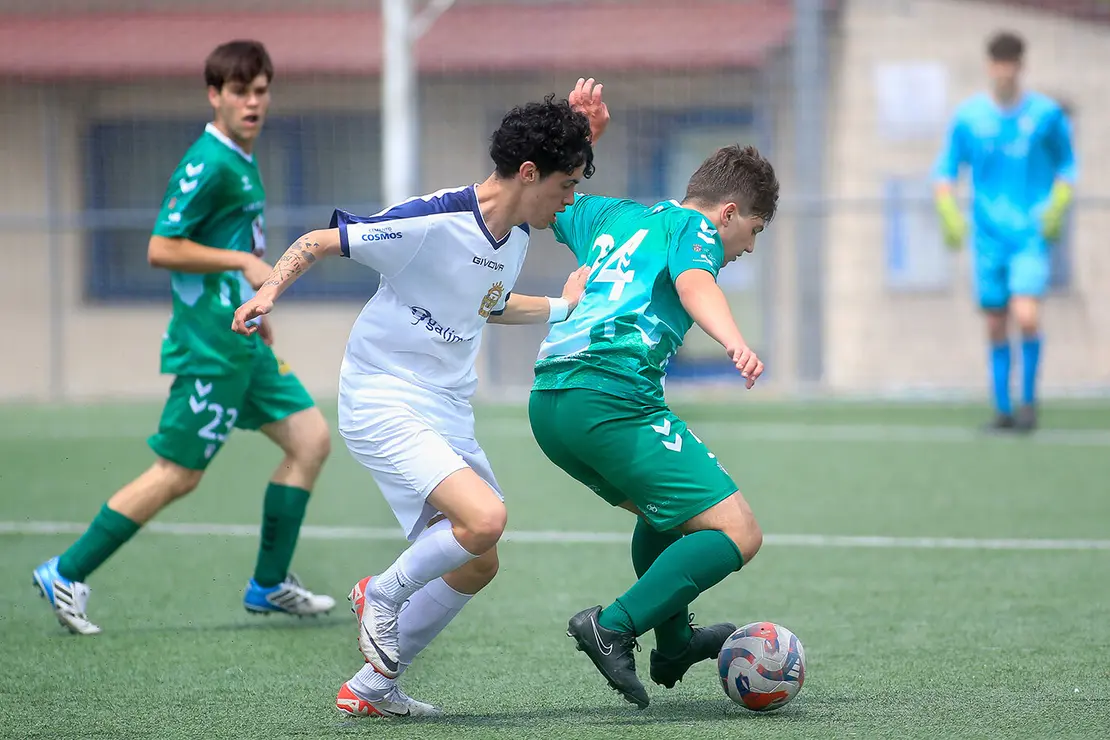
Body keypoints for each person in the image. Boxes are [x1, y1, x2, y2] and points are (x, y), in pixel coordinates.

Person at [232, 79, 610, 718]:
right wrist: (268, 292)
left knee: (477, 561)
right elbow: (319, 242)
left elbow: (484, 307)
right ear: (527, 172)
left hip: (445, 406)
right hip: (382, 395)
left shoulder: (515, 236)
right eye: (567, 185)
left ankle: (371, 689)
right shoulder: (432, 221)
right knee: (485, 518)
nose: (570, 201)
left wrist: (564, 304)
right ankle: (379, 593)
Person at [32, 40, 336, 636]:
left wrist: (254, 302)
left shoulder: (241, 159)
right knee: (179, 473)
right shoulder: (209, 162)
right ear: (214, 96)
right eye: (240, 92)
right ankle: (66, 572)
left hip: (240, 337)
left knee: (311, 439)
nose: (253, 102)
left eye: (261, 90)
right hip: (211, 349)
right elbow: (160, 247)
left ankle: (269, 583)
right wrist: (243, 265)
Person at [525, 144, 779, 708]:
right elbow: (695, 284)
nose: (751, 247)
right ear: (729, 212)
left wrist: (572, 145)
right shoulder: (697, 227)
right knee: (740, 532)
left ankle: (676, 643)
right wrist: (736, 342)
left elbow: (541, 198)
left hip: (550, 404)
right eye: (755, 230)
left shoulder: (613, 214)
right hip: (610, 396)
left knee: (666, 514)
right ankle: (612, 625)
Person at [934, 30, 1078, 432]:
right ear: (989, 66)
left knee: (1026, 315)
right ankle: (1003, 409)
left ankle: (1028, 405)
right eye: (998, 62)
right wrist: (947, 209)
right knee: (996, 322)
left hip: (1029, 233)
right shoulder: (970, 118)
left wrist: (1058, 205)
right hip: (987, 237)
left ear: (1021, 66)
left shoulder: (1046, 116)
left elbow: (1067, 166)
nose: (1005, 71)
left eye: (1011, 63)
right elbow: (945, 171)